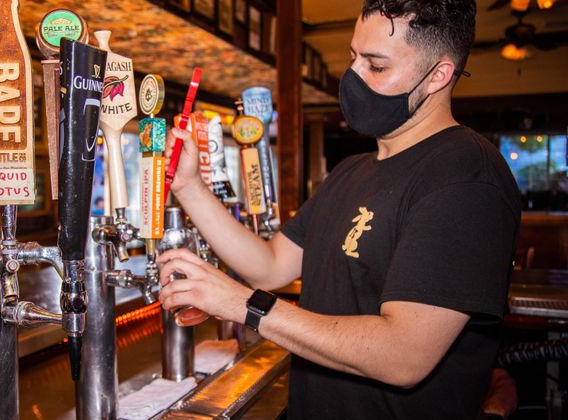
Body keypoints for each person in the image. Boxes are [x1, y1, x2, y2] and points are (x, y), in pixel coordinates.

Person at [157, 0, 521, 418]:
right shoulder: (353, 171)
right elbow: (270, 265)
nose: (353, 77)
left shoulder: (465, 180)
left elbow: (403, 356)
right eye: (353, 58)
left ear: (438, 75)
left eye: (376, 66)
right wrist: (189, 186)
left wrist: (245, 305)